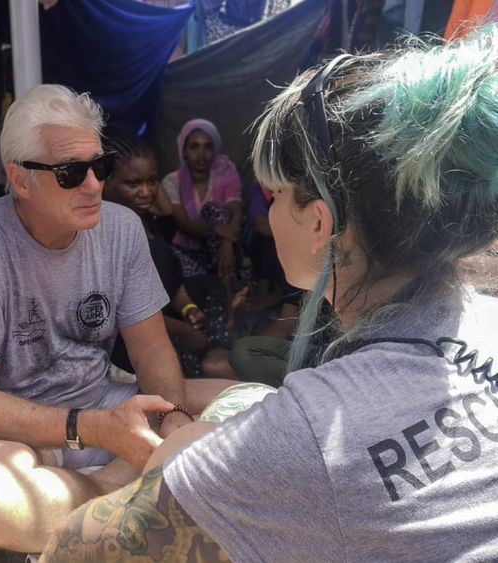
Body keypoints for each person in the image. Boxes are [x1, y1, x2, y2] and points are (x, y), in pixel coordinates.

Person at [42, 25, 498, 561]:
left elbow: (77, 547)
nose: (270, 212)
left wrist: (179, 461)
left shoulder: (309, 436)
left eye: (275, 195)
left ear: (319, 223)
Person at [0, 84, 234, 553]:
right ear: (20, 180)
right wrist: (97, 430)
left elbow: (150, 349)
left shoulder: (121, 228)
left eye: (100, 166)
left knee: (255, 403)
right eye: (71, 172)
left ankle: (103, 503)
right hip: (13, 431)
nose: (93, 185)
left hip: (104, 399)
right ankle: (118, 494)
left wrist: (169, 418)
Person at [102, 131, 238, 379]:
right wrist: (187, 332)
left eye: (152, 181)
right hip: (137, 339)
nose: (146, 192)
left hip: (169, 315)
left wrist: (189, 309)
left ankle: (216, 348)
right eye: (133, 184)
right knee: (183, 363)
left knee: (211, 285)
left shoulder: (147, 221)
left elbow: (173, 283)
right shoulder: (108, 237)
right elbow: (126, 315)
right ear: (106, 182)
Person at [162, 118, 243, 284]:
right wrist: (219, 230)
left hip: (221, 248)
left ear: (215, 150)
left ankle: (227, 286)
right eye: (194, 146)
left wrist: (227, 241)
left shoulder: (225, 172)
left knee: (214, 210)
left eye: (208, 146)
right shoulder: (173, 181)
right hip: (186, 248)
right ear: (184, 151)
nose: (201, 154)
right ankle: (217, 286)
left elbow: (236, 209)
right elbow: (183, 223)